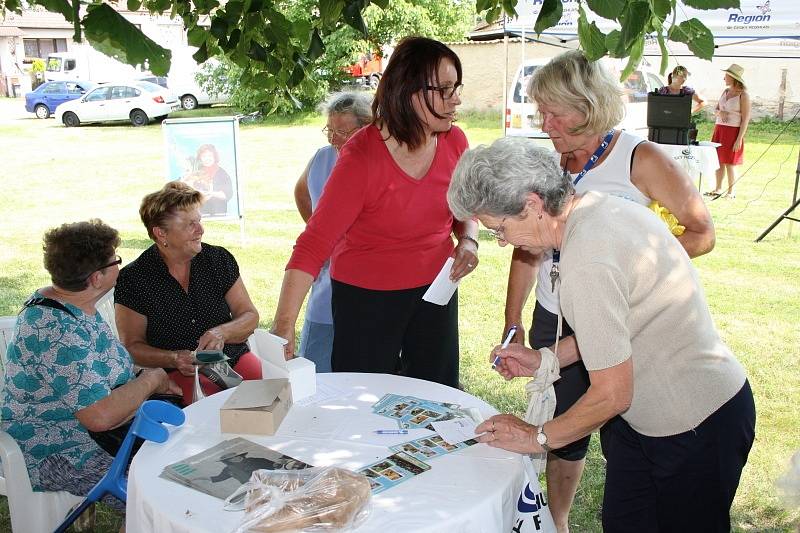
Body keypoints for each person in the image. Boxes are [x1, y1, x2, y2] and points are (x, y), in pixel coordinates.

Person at [449, 138, 755, 531]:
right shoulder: (597, 205)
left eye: (500, 229)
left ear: (533, 205)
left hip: (696, 423)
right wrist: (547, 358)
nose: (504, 241)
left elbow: (612, 394)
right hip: (645, 422)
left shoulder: (587, 259)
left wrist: (537, 437)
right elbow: (620, 321)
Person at [502, 50, 716, 532]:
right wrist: (514, 319)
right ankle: (558, 520)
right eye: (542, 111)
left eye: (556, 112)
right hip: (555, 313)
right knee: (565, 427)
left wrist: (638, 278)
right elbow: (527, 249)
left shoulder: (640, 157)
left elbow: (702, 232)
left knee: (622, 422)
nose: (546, 123)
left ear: (590, 105)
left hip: (618, 313)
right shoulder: (550, 161)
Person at [271, 36, 479, 388]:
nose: (456, 99)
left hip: (436, 289)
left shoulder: (454, 140)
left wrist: (469, 240)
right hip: (366, 298)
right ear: (410, 90)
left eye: (456, 87)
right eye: (445, 89)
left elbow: (466, 207)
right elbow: (314, 244)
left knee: (436, 392)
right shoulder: (362, 156)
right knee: (364, 395)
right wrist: (283, 324)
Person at [1, 220, 181, 510]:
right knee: (162, 497)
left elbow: (106, 367)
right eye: (116, 261)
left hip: (99, 433)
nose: (120, 267)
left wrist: (143, 379)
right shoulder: (55, 329)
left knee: (186, 462)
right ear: (97, 278)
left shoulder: (74, 305)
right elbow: (99, 417)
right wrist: (152, 380)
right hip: (58, 448)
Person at [115, 182, 261, 404]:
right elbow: (132, 347)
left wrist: (223, 333)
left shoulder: (217, 260)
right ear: (161, 232)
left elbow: (250, 315)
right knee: (205, 416)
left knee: (270, 400)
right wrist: (173, 359)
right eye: (189, 224)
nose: (200, 229)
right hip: (176, 375)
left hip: (232, 362)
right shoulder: (134, 278)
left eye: (199, 221)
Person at [293, 92, 373, 372]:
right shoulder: (322, 158)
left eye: (342, 131)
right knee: (316, 362)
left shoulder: (374, 160)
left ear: (367, 128)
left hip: (366, 281)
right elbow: (302, 192)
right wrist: (319, 232)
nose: (333, 138)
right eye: (330, 129)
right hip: (326, 278)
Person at [707, 64, 751, 199]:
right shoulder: (725, 92)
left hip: (733, 132)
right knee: (718, 160)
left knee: (730, 163)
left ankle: (731, 192)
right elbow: (715, 110)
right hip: (719, 130)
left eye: (726, 75)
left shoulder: (743, 95)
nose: (723, 78)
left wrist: (739, 139)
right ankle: (718, 188)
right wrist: (721, 112)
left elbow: (745, 119)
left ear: (733, 77)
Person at [195, 143, 233, 215]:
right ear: (200, 158)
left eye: (209, 155)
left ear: (215, 157)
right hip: (199, 214)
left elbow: (227, 195)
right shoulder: (196, 173)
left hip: (218, 212)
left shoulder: (222, 174)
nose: (207, 158)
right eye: (204, 156)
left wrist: (211, 193)